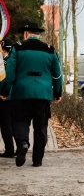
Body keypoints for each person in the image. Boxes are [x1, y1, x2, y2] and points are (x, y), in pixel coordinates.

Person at [0, 23, 62, 167]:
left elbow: (9, 72)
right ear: (38, 34)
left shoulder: (17, 47)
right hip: (43, 95)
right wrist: (58, 92)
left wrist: (4, 91)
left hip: (21, 93)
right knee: (41, 127)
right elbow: (57, 75)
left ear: (26, 33)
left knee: (20, 122)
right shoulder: (50, 50)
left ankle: (23, 143)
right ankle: (37, 160)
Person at [0, 38, 15, 158]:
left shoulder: (3, 63)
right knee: (15, 123)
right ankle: (20, 147)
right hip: (17, 96)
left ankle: (9, 149)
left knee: (5, 124)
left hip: (4, 97)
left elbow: (3, 80)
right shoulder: (15, 61)